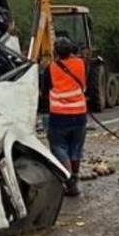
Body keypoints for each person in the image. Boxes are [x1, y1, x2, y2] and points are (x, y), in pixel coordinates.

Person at [44, 37, 88, 196]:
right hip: (80, 114)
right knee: (76, 148)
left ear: (56, 52)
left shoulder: (51, 68)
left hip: (59, 115)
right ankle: (74, 178)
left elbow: (45, 90)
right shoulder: (81, 64)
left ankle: (68, 180)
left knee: (59, 147)